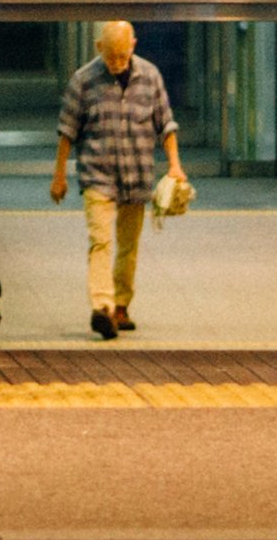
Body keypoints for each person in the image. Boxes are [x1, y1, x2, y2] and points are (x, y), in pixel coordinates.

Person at [50, 21, 186, 339]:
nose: (116, 63)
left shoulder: (150, 77)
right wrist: (59, 175)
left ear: (134, 45)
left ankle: (122, 303)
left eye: (122, 56)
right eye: (111, 56)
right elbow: (67, 131)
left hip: (137, 176)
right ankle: (103, 307)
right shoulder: (83, 81)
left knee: (129, 246)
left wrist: (175, 166)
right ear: (99, 48)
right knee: (100, 241)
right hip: (97, 175)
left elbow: (166, 124)